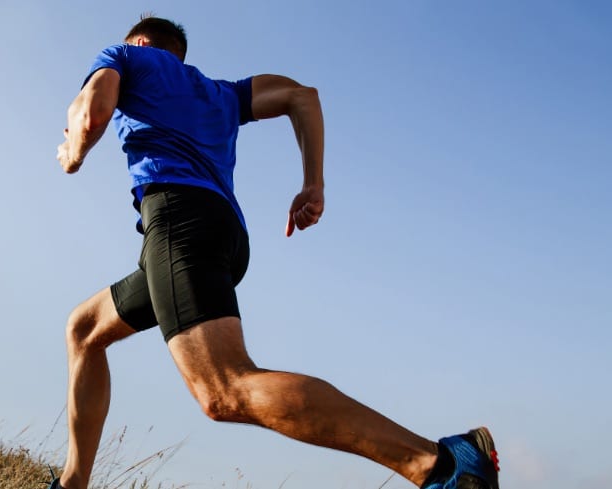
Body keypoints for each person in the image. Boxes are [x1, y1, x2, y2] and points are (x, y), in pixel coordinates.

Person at [51, 15, 500, 489]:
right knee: (84, 329)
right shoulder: (221, 94)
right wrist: (313, 183)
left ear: (141, 44)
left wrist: (73, 152)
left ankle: (438, 464)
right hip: (223, 235)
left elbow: (90, 113)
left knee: (222, 389)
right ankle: (72, 483)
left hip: (180, 223)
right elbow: (301, 96)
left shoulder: (125, 57)